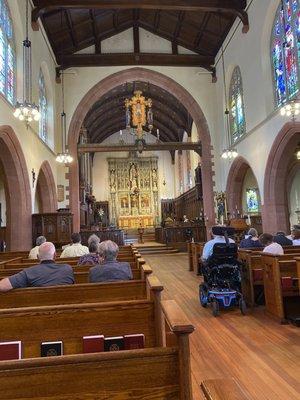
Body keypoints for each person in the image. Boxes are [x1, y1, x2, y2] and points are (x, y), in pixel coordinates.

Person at [0, 242, 74, 292]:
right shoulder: (68, 269)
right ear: (55, 255)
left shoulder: (29, 272)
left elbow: (2, 286)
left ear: (38, 257)